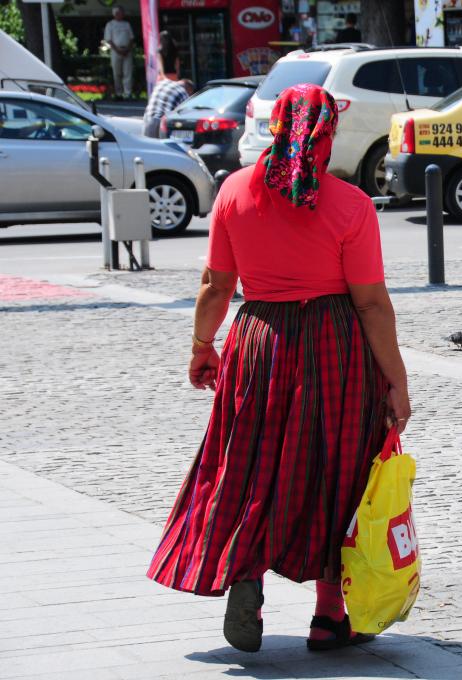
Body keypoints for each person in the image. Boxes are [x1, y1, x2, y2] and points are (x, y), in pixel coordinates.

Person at [147, 84, 411, 653]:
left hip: (258, 342)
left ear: (275, 129)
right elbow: (370, 303)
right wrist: (397, 380)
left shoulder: (234, 192)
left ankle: (246, 575)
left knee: (251, 465)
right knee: (336, 470)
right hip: (332, 347)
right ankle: (328, 614)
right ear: (328, 136)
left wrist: (201, 345)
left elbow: (217, 286)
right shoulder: (350, 205)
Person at [103, 6, 134, 99]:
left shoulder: (127, 24)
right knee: (117, 73)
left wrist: (127, 49)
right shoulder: (110, 24)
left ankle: (128, 93)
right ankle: (119, 93)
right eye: (120, 13)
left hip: (127, 50)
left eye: (122, 12)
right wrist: (118, 50)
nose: (122, 14)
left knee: (128, 72)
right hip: (116, 51)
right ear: (115, 14)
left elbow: (132, 38)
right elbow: (109, 39)